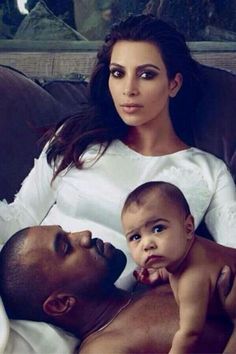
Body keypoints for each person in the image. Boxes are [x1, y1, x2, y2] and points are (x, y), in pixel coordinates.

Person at [0, 14, 235, 284]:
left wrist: (184, 261)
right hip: (31, 289)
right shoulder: (79, 137)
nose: (128, 89)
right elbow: (21, 217)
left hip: (111, 317)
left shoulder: (207, 171)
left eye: (146, 75)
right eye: (118, 73)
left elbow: (232, 257)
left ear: (174, 84)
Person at [0, 225, 235, 354]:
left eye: (70, 232)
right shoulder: (103, 349)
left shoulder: (157, 282)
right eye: (66, 246)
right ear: (61, 303)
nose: (84, 235)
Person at [121, 181, 236, 353]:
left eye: (158, 229)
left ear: (188, 228)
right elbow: (175, 269)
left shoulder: (192, 278)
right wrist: (159, 274)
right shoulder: (179, 254)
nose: (147, 244)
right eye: (135, 237)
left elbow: (190, 333)